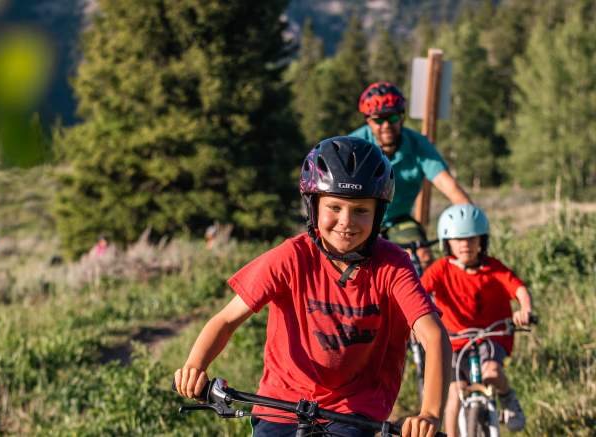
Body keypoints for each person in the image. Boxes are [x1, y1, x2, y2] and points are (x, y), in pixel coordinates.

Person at [175, 136, 452, 437]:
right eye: (334, 207)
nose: (346, 221)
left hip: (355, 408)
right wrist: (195, 365)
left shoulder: (393, 265)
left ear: (379, 213)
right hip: (281, 402)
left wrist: (430, 413)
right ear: (313, 207)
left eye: (361, 210)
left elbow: (433, 336)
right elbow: (227, 320)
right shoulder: (292, 257)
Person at [420, 204, 533, 436]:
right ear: (446, 242)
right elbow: (418, 293)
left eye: (472, 238)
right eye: (458, 239)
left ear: (482, 240)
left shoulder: (493, 268)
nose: (465, 245)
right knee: (455, 392)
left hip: (490, 336)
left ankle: (507, 397)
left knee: (491, 372)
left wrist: (525, 310)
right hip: (454, 340)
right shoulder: (440, 269)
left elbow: (519, 288)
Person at [350, 81, 471, 267]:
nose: (386, 125)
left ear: (402, 117)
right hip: (359, 217)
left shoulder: (418, 145)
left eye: (392, 118)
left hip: (398, 219)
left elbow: (449, 186)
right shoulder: (354, 145)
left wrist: (471, 224)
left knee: (421, 257)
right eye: (379, 120)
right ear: (368, 121)